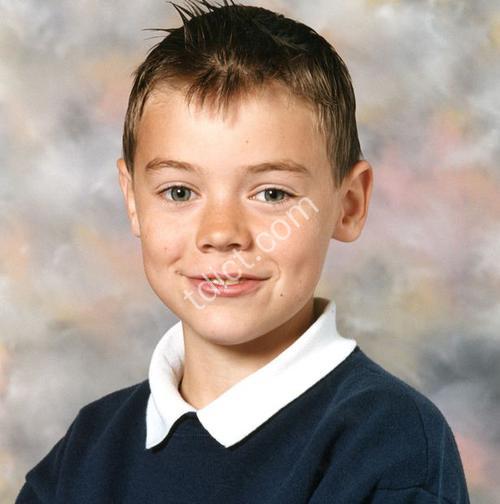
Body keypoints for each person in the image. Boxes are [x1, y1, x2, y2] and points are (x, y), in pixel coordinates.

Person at [16, 0, 470, 502]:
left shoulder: (390, 449)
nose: (221, 233)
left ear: (349, 204)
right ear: (133, 201)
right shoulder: (85, 452)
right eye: (179, 192)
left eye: (272, 193)